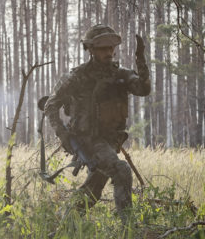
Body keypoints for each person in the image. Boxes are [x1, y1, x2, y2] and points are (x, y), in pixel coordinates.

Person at [44, 24, 151, 217]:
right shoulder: (77, 77)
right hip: (88, 140)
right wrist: (63, 135)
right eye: (103, 48)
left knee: (92, 192)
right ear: (91, 50)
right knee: (121, 171)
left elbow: (143, 89)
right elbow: (51, 105)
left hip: (111, 141)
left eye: (111, 48)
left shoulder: (121, 74)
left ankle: (64, 223)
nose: (109, 52)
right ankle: (128, 231)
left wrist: (140, 59)